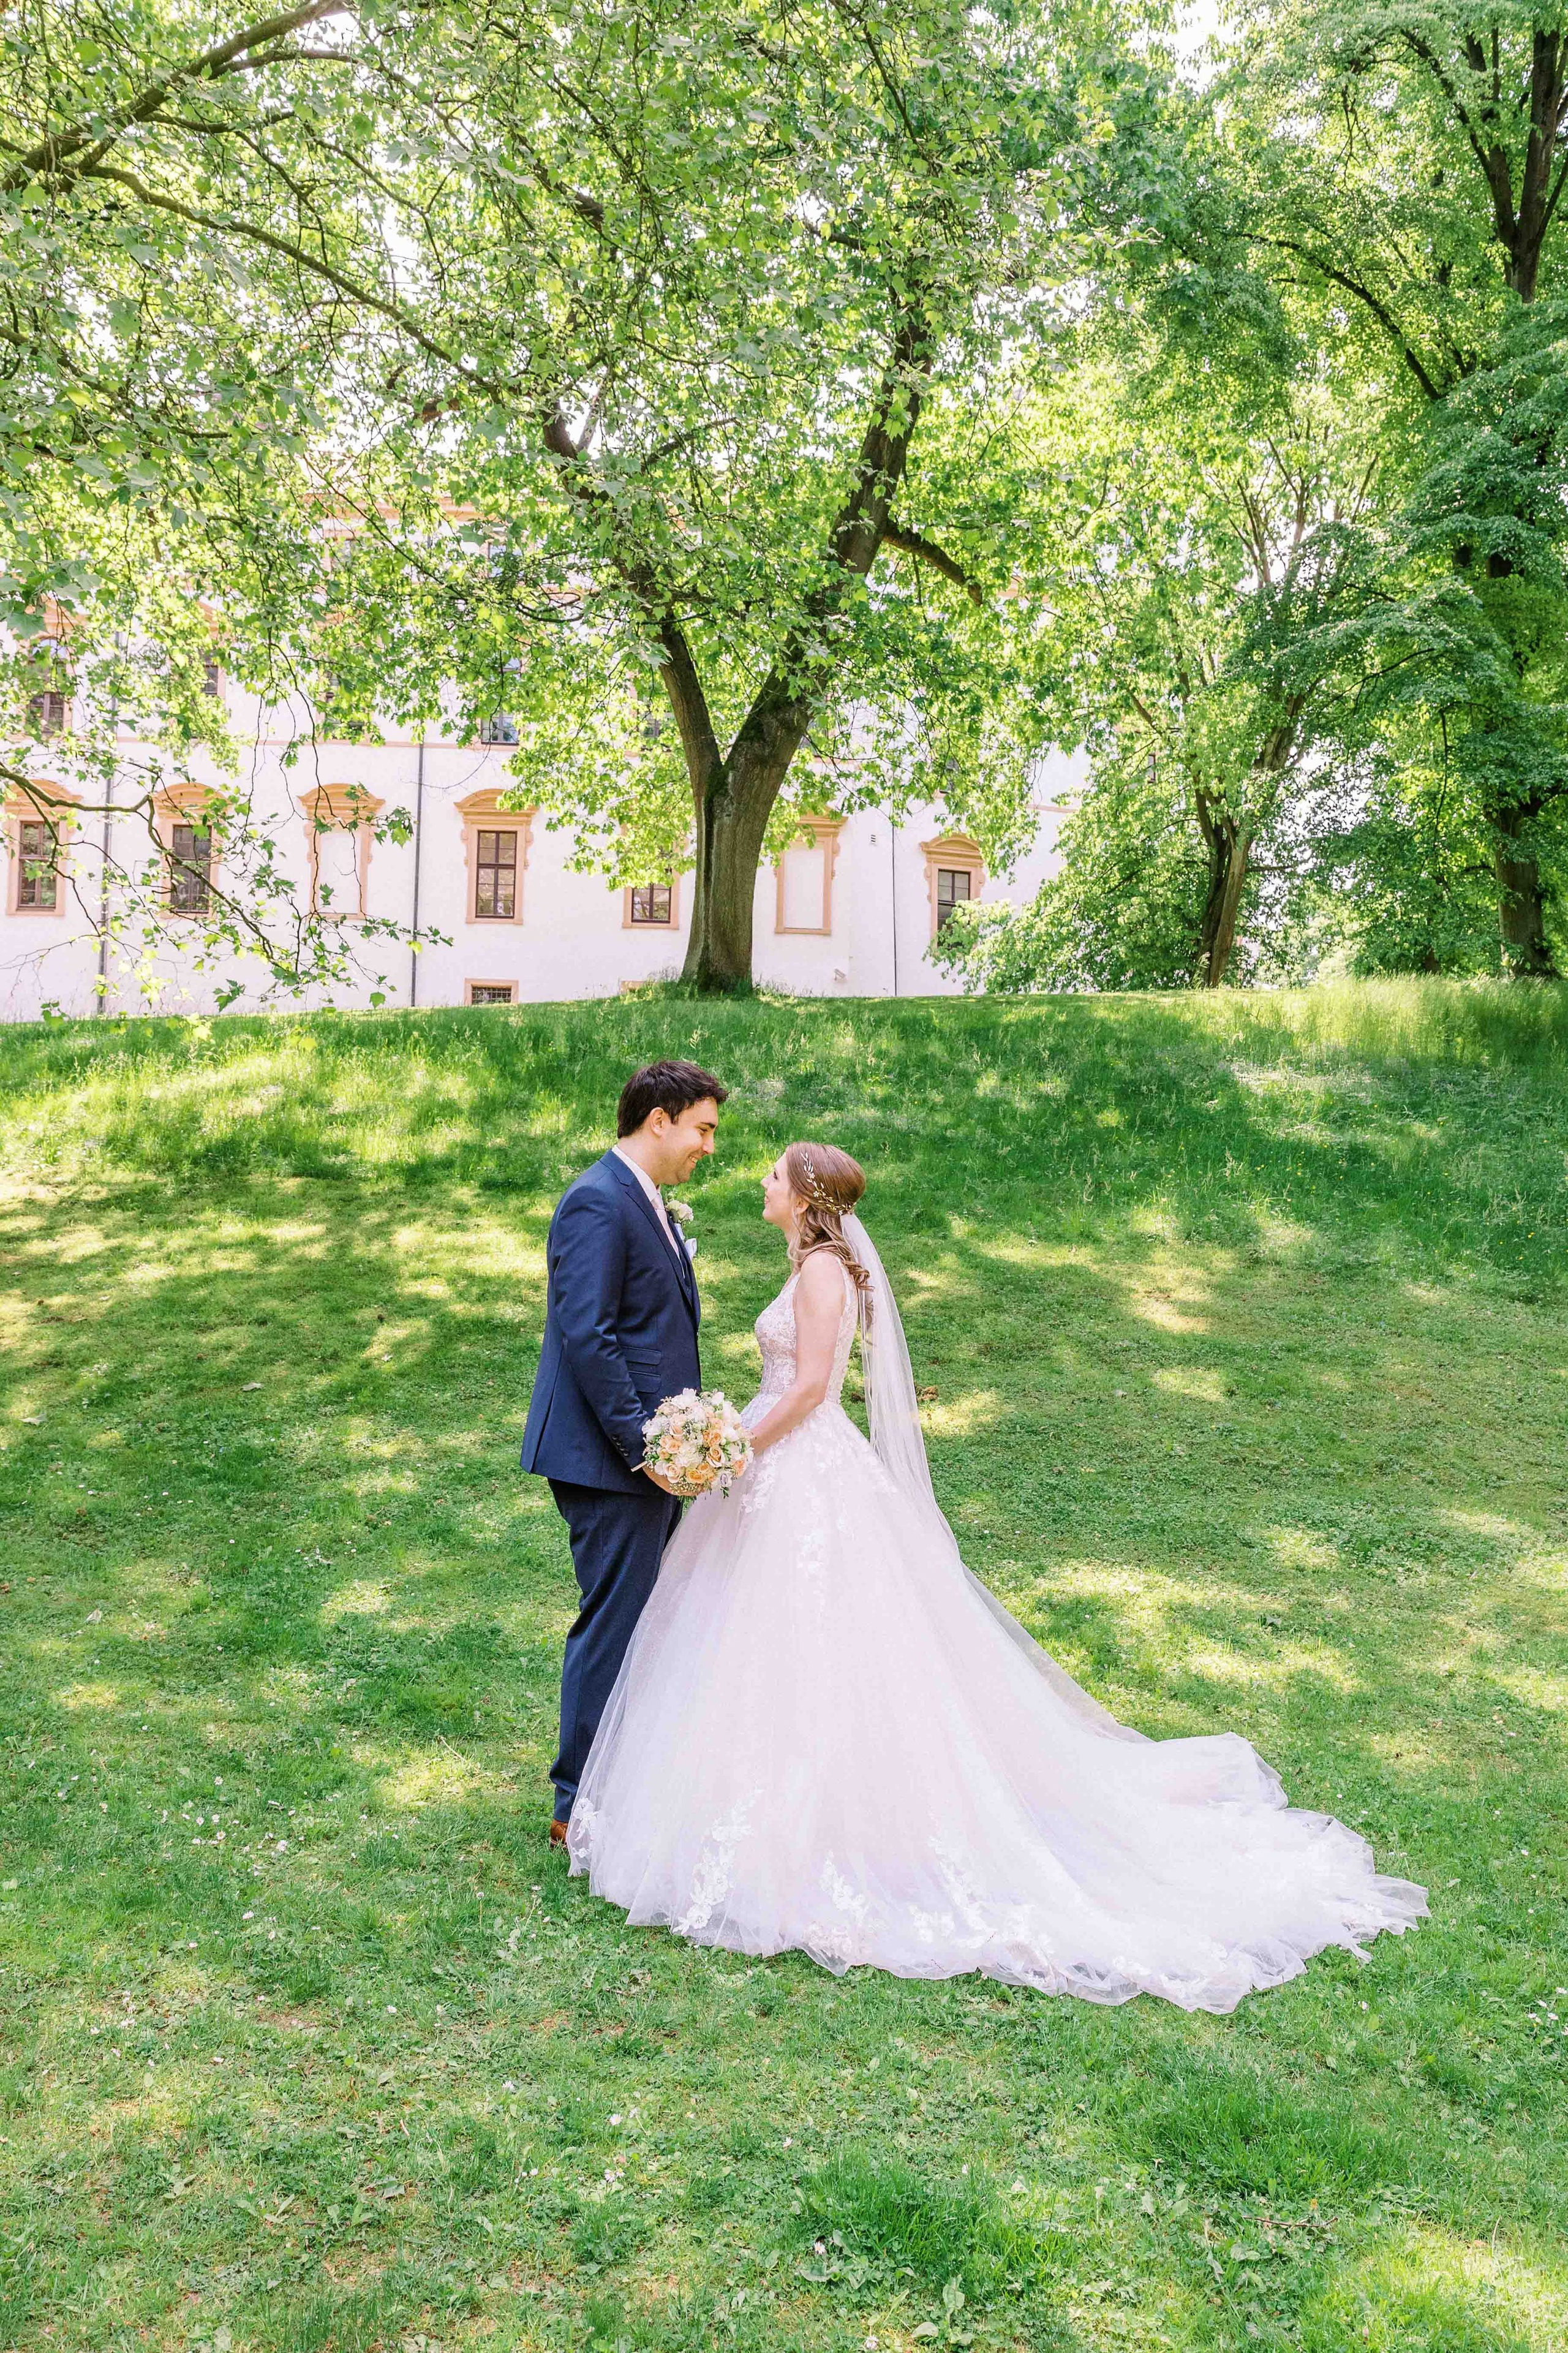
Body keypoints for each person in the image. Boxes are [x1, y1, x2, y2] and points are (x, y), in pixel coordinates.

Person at [565, 1141, 1427, 2011]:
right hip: (780, 1467)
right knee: (757, 1639)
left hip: (799, 1465)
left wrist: (736, 1447)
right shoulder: (810, 1264)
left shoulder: (823, 1270)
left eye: (775, 1174)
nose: (762, 1181)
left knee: (809, 1634)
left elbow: (813, 1386)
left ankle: (822, 1826)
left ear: (804, 1193)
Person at [521, 1059, 727, 1846]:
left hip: (643, 1455)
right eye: (702, 1128)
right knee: (614, 1620)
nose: (708, 1146)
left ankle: (623, 1782)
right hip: (609, 1460)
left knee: (645, 1616)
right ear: (659, 1119)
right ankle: (576, 1803)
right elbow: (589, 1335)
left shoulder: (642, 1201)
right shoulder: (597, 1201)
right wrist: (646, 1448)